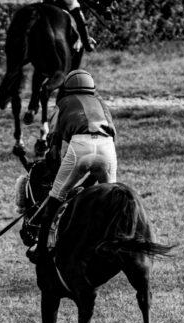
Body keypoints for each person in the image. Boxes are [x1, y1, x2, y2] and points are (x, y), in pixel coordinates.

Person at [25, 70, 117, 263]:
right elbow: (112, 137)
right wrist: (92, 178)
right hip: (107, 147)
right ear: (91, 87)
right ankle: (112, 241)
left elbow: (54, 145)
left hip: (80, 147)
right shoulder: (102, 103)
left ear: (68, 88)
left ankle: (41, 248)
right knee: (111, 200)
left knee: (56, 196)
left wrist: (58, 175)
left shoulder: (63, 104)